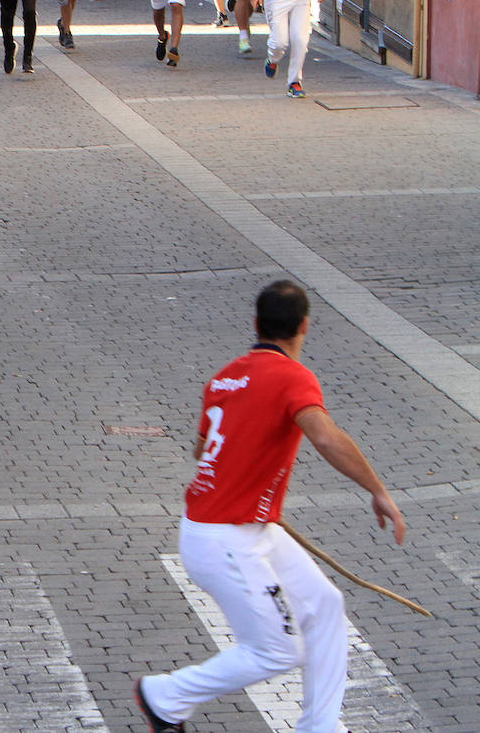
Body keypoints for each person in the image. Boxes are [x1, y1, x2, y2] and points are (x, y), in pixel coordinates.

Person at [135, 280, 406, 733]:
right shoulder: (293, 376)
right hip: (226, 538)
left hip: (240, 527)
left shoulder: (223, 377)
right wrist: (378, 490)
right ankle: (165, 695)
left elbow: (202, 448)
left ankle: (320, 727)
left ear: (256, 324)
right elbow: (323, 436)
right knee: (279, 650)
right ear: (304, 326)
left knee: (324, 603)